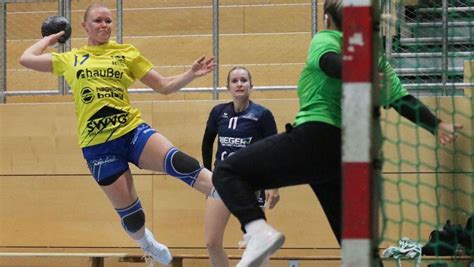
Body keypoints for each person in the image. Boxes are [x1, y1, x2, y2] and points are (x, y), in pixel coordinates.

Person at [212, 0, 464, 266]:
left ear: (326, 20)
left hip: (316, 138)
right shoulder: (372, 56)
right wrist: (436, 125)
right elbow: (401, 100)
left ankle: (257, 231)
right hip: (345, 156)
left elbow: (331, 63)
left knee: (226, 171)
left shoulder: (325, 39)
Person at [19, 3, 219, 265]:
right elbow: (26, 58)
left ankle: (231, 190)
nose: (104, 26)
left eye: (108, 21)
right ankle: (146, 243)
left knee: (181, 163)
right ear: (84, 26)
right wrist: (51, 38)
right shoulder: (70, 59)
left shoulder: (126, 53)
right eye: (98, 21)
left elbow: (164, 86)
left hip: (131, 131)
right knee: (134, 218)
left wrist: (190, 74)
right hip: (98, 146)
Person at [201, 66, 280, 267]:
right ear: (227, 86)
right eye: (234, 80)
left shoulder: (262, 114)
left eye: (243, 80)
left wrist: (274, 186)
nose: (239, 84)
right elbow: (207, 142)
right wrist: (208, 173)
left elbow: (274, 150)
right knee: (211, 242)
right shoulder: (218, 112)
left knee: (256, 241)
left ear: (251, 85)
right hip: (222, 182)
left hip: (250, 183)